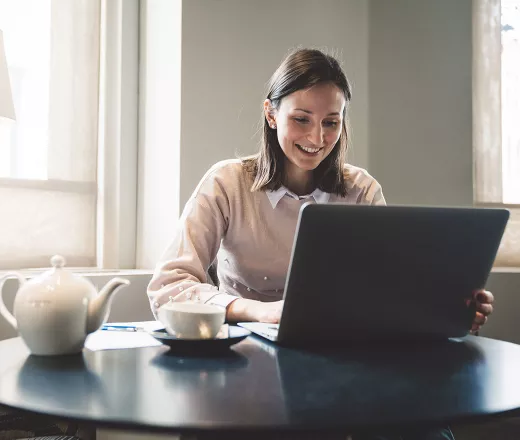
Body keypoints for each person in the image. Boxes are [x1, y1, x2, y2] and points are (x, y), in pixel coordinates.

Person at [147, 48, 494, 440]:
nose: (317, 138)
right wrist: (258, 311)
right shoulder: (226, 183)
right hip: (243, 364)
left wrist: (447, 307)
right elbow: (169, 286)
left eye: (332, 122)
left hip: (346, 363)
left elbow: (389, 291)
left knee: (427, 433)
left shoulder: (361, 190)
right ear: (271, 113)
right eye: (301, 119)